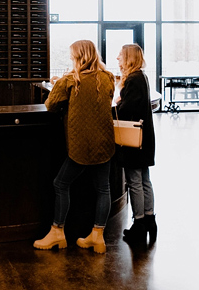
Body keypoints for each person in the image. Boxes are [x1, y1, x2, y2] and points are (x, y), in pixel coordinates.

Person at [34, 39, 115, 254]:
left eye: (72, 55)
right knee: (103, 188)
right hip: (104, 142)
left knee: (60, 184)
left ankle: (57, 232)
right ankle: (97, 236)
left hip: (80, 144)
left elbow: (50, 105)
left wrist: (59, 84)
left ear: (78, 57)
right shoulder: (107, 78)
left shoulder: (70, 80)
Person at [115, 43, 157, 245]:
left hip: (134, 140)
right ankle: (150, 219)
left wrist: (118, 102)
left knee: (134, 181)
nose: (117, 59)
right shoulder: (142, 77)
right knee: (145, 180)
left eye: (121, 55)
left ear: (129, 58)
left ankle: (139, 223)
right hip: (145, 138)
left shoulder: (132, 80)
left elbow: (125, 110)